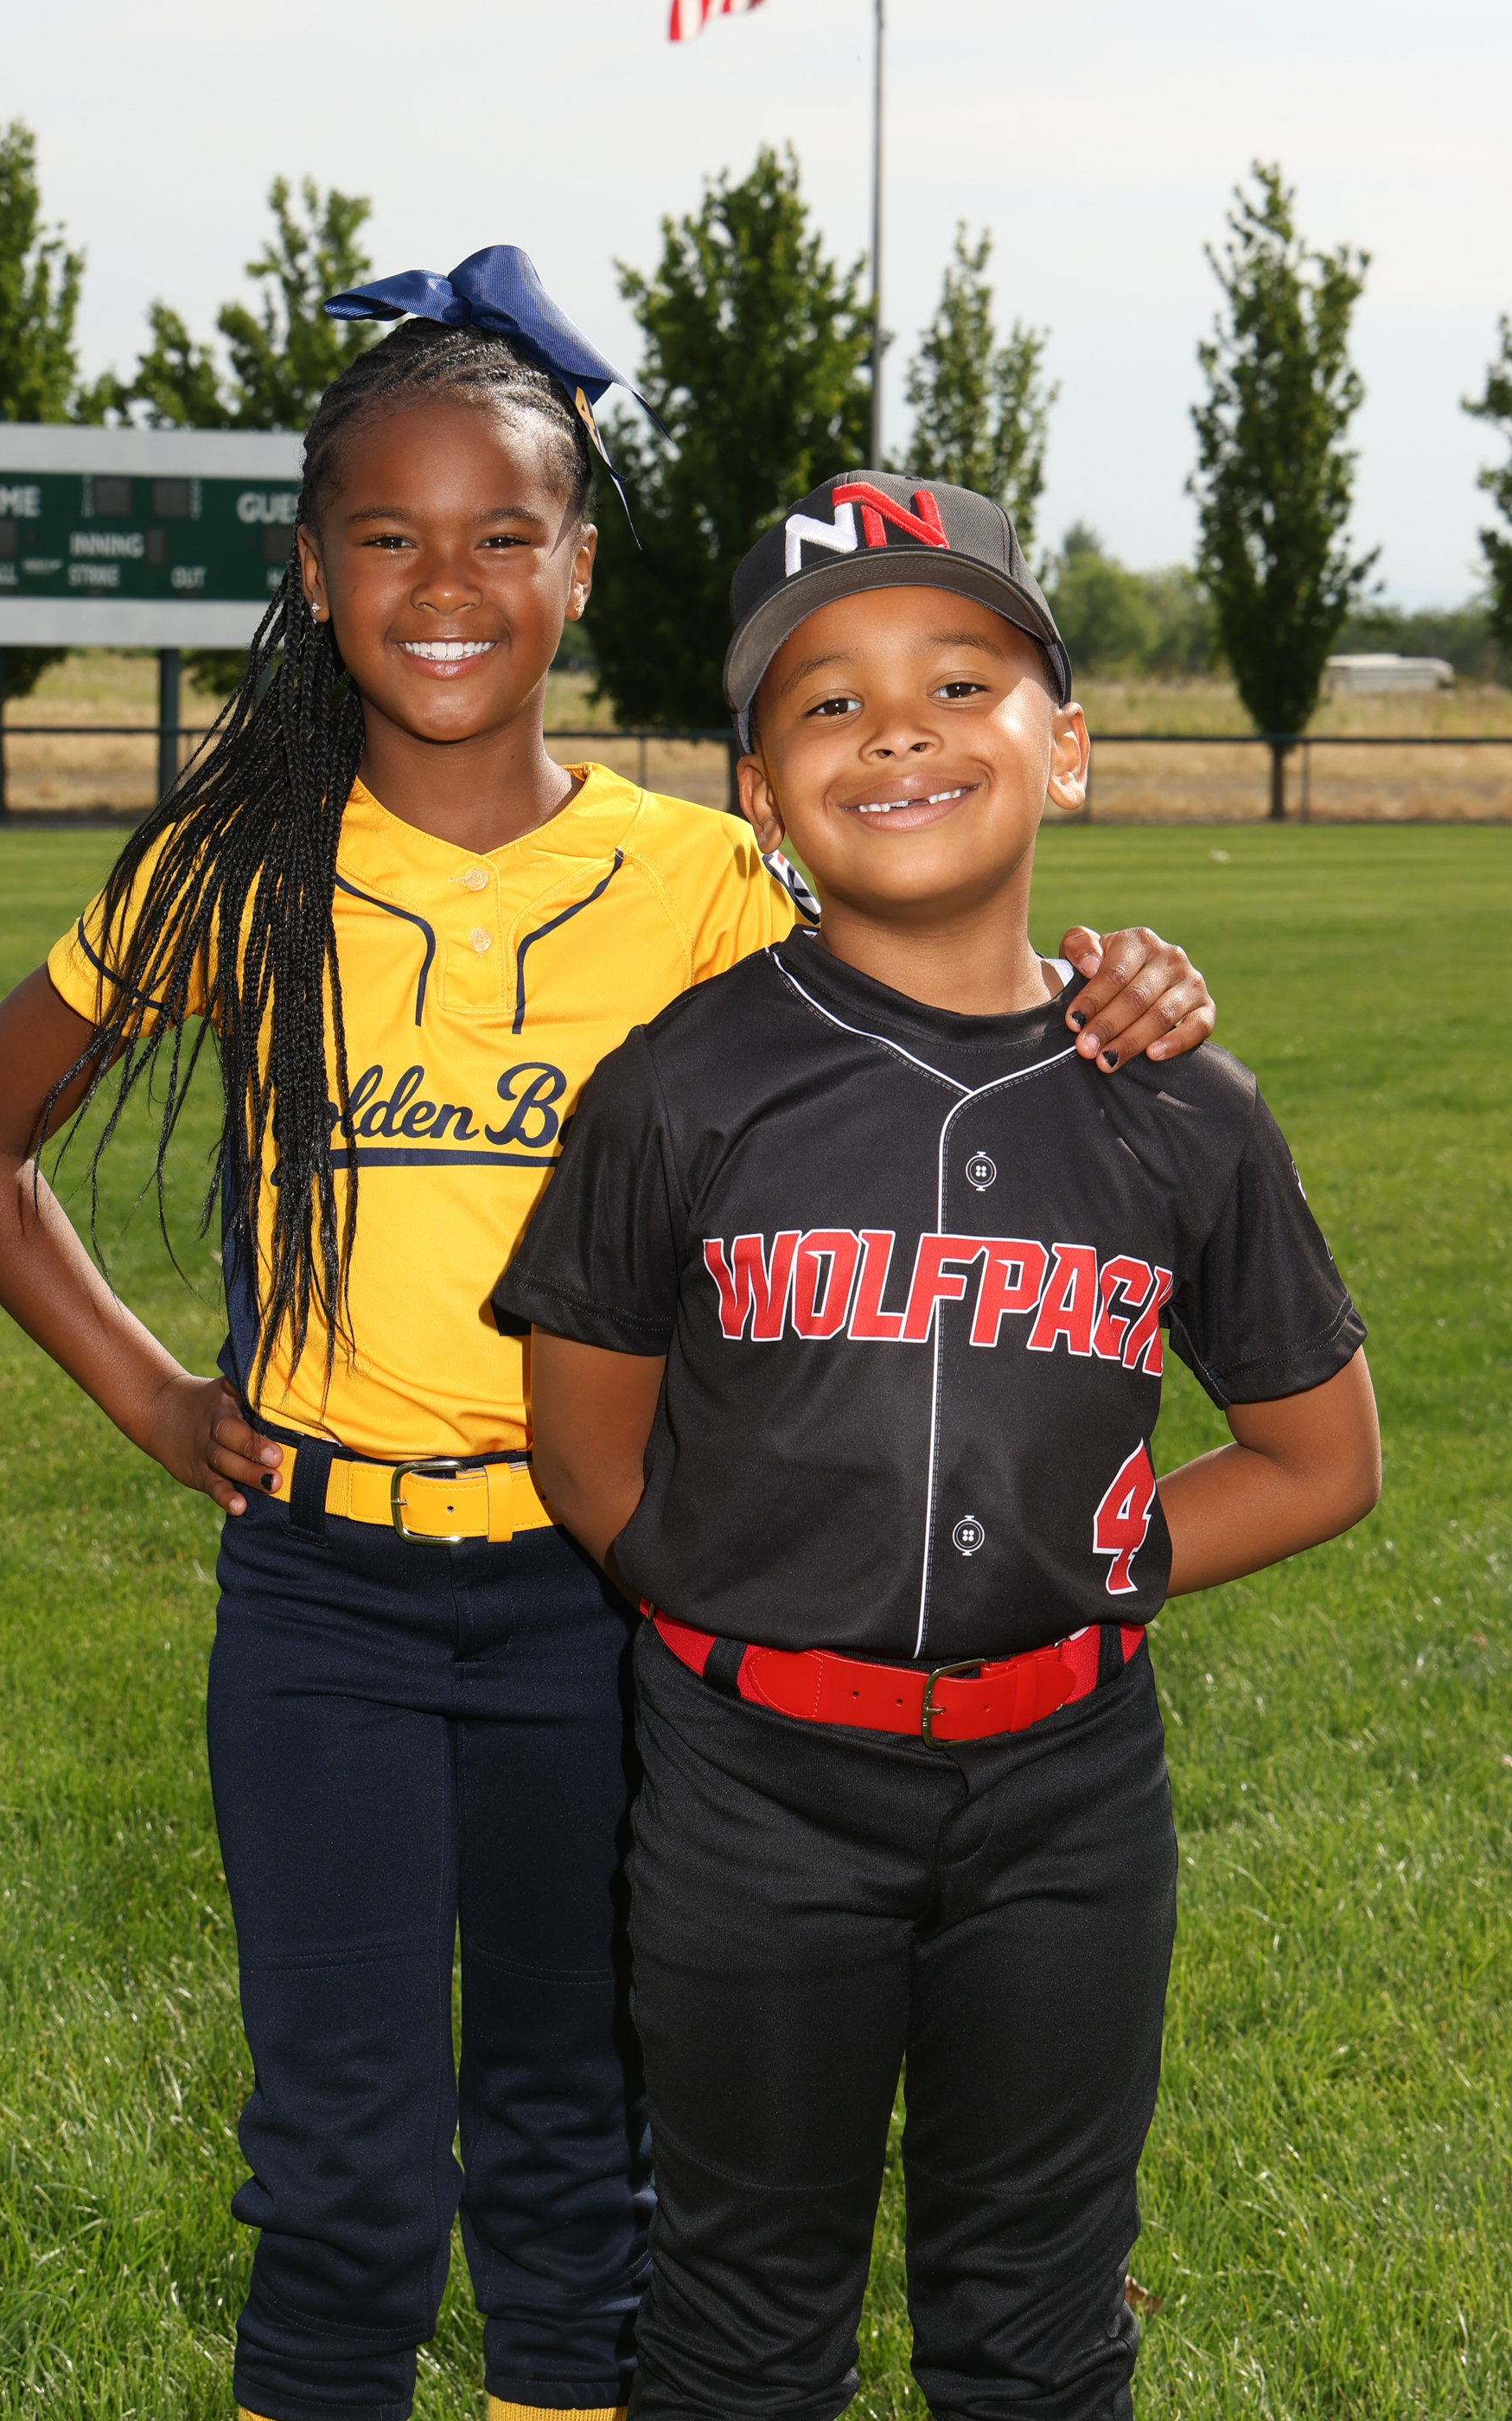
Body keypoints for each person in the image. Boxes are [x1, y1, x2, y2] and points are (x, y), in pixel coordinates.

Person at [0, 251, 1217, 2421]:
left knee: (571, 2144)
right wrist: (153, 1393)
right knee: (338, 2172)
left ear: (577, 568)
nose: (449, 583)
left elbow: (934, 980)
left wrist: (1118, 984)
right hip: (322, 1599)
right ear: (313, 572)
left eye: (504, 534)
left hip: (602, 1592)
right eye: (390, 535)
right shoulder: (235, 868)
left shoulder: (694, 878)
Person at [498, 470, 1382, 2421]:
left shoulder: (1179, 1103)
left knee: (1039, 2322)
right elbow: (588, 1451)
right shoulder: (681, 1087)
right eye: (828, 702)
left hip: (1070, 1787)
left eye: (961, 682)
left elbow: (1319, 1458)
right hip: (751, 1785)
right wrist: (743, 1606)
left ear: (1066, 748)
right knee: (743, 2318)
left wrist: (1097, 1558)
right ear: (760, 794)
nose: (896, 729)